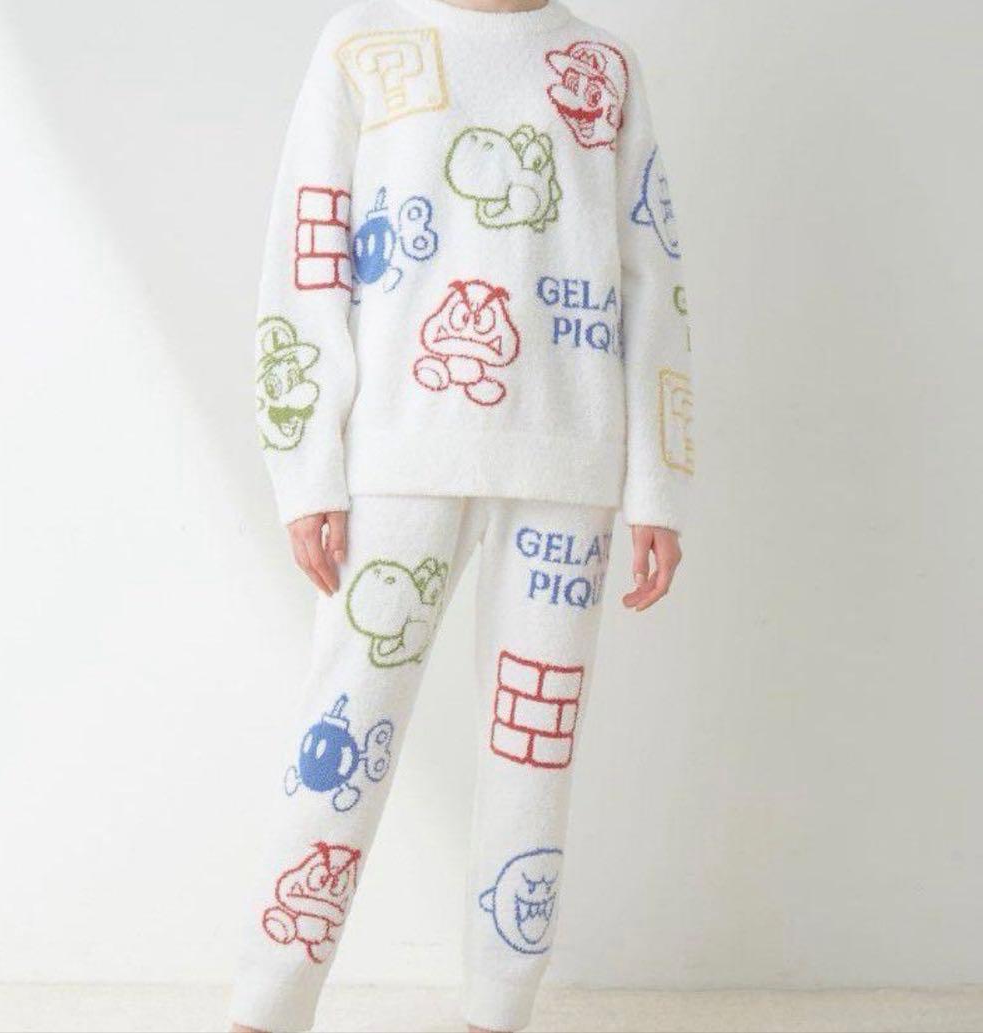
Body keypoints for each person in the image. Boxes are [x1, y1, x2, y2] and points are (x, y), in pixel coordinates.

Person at [233, 0, 693, 1029]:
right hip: (399, 452)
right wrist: (307, 467)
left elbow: (651, 273)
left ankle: (498, 1012)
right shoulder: (363, 43)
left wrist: (658, 483)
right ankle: (265, 1008)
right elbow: (308, 248)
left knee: (534, 762)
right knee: (343, 728)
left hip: (570, 459)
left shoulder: (603, 64)